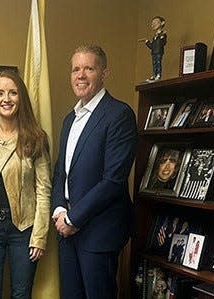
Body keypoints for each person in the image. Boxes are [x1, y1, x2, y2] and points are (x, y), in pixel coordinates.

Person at [51, 44, 137, 298]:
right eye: (76, 69)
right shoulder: (70, 119)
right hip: (66, 229)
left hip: (99, 232)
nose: (81, 75)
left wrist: (73, 218)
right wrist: (59, 209)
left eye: (89, 68)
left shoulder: (119, 114)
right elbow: (60, 172)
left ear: (104, 73)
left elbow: (113, 181)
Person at [0, 70, 51, 298]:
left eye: (12, 93)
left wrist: (40, 235)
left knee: (21, 294)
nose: (6, 99)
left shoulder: (36, 138)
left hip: (23, 229)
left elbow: (43, 190)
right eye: (0, 93)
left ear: (20, 97)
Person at [140, 16, 167, 81]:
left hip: (159, 52)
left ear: (162, 23)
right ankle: (154, 75)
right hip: (154, 52)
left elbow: (163, 42)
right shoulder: (155, 37)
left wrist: (161, 35)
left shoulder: (162, 34)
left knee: (158, 63)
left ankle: (158, 74)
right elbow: (152, 46)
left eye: (155, 22)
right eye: (152, 23)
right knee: (154, 64)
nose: (153, 24)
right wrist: (147, 41)